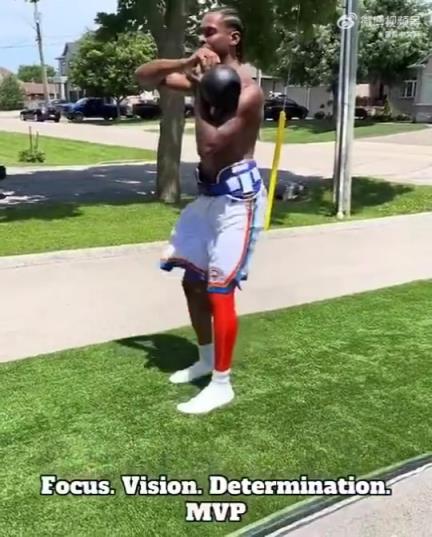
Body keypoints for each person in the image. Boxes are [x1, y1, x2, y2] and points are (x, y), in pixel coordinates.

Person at [135, 7, 267, 415]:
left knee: (218, 289)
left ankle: (222, 385)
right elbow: (144, 77)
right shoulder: (200, 75)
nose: (203, 39)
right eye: (201, 33)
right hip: (207, 197)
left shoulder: (248, 90)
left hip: (238, 200)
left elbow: (208, 145)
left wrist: (198, 91)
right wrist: (185, 64)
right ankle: (206, 359)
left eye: (210, 33)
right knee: (192, 282)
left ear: (233, 38)